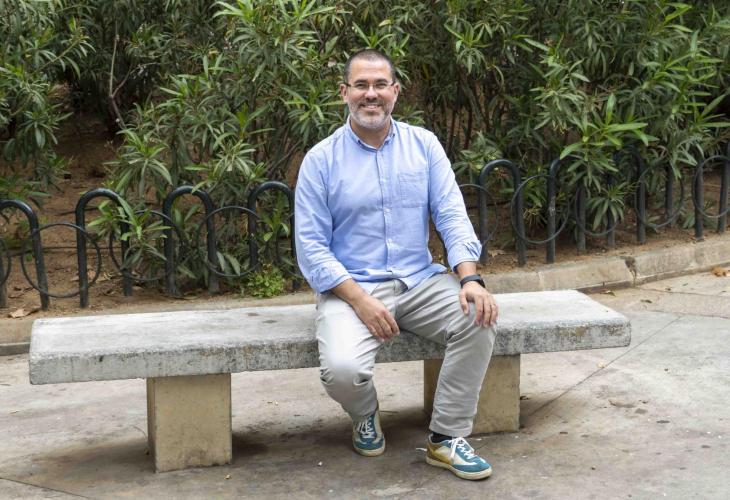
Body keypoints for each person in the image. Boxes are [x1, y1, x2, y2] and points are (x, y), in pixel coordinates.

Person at [294, 49, 498, 481]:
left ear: (395, 92)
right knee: (343, 372)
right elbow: (312, 248)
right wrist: (360, 301)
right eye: (361, 85)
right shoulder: (321, 160)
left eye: (380, 85)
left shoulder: (424, 146)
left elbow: (451, 214)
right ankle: (365, 413)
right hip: (351, 288)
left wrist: (471, 279)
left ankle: (446, 438)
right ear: (344, 92)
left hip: (420, 282)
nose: (371, 94)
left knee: (478, 318)